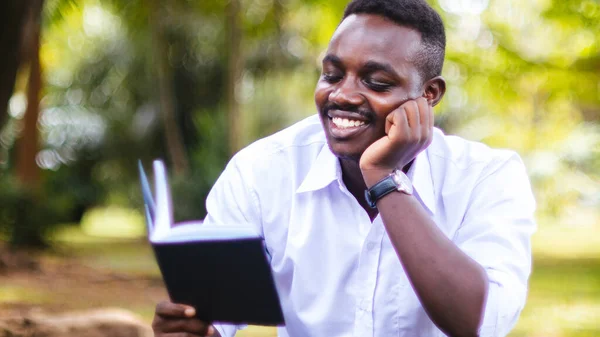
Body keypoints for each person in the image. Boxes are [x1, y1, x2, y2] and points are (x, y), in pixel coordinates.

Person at [151, 0, 536, 336]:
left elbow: (477, 322)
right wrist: (195, 329)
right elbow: (218, 315)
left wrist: (384, 177)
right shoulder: (261, 172)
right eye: (332, 74)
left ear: (429, 95)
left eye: (377, 82)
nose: (343, 95)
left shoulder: (488, 177)